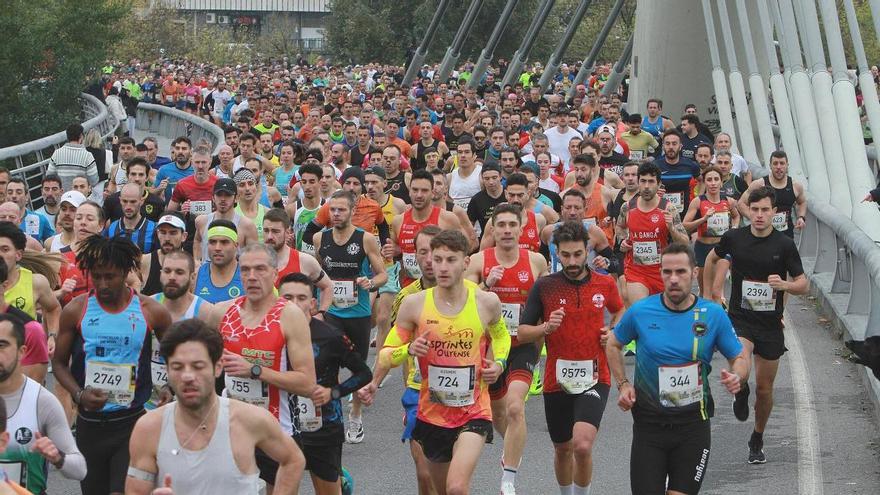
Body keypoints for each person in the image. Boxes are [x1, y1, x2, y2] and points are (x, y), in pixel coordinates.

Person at [606, 243, 750, 495]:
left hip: (693, 427)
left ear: (694, 273)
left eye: (681, 272)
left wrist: (737, 375)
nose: (673, 279)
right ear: (660, 273)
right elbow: (613, 343)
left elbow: (738, 356)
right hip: (649, 427)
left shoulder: (712, 314)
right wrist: (623, 383)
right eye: (667, 272)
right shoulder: (641, 311)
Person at [383, 229, 510, 495]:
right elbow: (386, 354)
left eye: (450, 260)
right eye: (437, 259)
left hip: (474, 409)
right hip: (433, 413)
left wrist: (498, 363)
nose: (441, 266)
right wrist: (408, 349)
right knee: (441, 490)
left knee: (456, 487)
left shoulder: (486, 302)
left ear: (466, 263)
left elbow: (501, 337)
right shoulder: (414, 305)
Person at [125, 319, 305, 495]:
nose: (188, 376)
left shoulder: (249, 420)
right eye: (178, 367)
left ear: (218, 367)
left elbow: (293, 460)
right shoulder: (149, 428)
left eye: (198, 366)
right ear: (168, 370)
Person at [52, 235, 171, 495]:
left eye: (110, 276)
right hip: (89, 424)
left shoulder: (151, 311)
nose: (103, 284)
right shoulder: (76, 309)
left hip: (131, 422)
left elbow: (176, 355)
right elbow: (59, 364)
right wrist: (79, 394)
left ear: (126, 272)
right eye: (97, 276)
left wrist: (168, 386)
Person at [518, 221, 624, 495]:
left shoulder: (604, 283)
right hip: (557, 379)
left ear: (587, 249)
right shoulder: (545, 287)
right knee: (563, 449)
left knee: (582, 444)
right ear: (556, 252)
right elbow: (522, 332)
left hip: (595, 375)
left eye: (578, 254)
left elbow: (621, 311)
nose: (573, 261)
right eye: (565, 255)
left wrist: (612, 330)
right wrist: (545, 328)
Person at [704, 186, 809, 464]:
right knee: (741, 359)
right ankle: (740, 387)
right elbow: (711, 258)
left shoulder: (784, 245)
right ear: (748, 210)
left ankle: (757, 436)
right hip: (741, 318)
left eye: (766, 210)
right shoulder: (734, 238)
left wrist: (785, 285)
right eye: (755, 210)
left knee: (765, 389)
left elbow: (803, 284)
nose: (760, 215)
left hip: (771, 324)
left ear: (774, 212)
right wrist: (708, 296)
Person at [205, 243, 316, 492]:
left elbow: (307, 384)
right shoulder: (221, 312)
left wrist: (254, 370)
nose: (252, 277)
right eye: (245, 270)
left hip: (276, 430)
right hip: (231, 427)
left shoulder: (290, 316)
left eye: (260, 269)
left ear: (275, 274)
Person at [465, 204, 548, 495]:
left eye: (513, 224)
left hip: (523, 346)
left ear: (522, 226)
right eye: (501, 225)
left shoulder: (536, 261)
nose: (507, 230)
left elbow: (545, 305)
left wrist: (540, 338)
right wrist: (487, 284)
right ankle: (511, 448)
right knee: (500, 415)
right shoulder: (478, 261)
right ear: (493, 229)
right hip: (490, 350)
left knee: (515, 407)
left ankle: (508, 480)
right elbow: (464, 303)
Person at [359, 225, 444, 495]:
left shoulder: (467, 292)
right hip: (418, 392)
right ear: (414, 257)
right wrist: (375, 382)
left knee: (449, 477)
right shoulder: (407, 298)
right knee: (423, 470)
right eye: (423, 252)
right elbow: (393, 345)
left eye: (435, 252)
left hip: (460, 396)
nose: (429, 259)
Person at [278, 273, 373, 495]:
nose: (294, 304)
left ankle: (340, 482)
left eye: (301, 298)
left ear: (313, 304)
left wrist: (333, 392)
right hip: (280, 426)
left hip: (322, 427)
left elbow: (364, 374)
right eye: (287, 297)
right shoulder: (269, 335)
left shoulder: (330, 336)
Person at [313, 190, 388, 444]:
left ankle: (355, 413)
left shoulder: (365, 239)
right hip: (332, 312)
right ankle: (331, 413)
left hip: (359, 313)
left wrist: (370, 282)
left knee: (357, 364)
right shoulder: (319, 239)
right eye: (332, 210)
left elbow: (383, 275)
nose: (335, 214)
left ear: (351, 211)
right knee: (327, 362)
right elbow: (320, 274)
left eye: (341, 210)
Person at [0, 313, 86, 493]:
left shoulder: (41, 401)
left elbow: (79, 469)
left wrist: (57, 457)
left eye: (2, 345)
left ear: (21, 351)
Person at [147, 250, 214, 409]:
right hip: (147, 402)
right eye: (167, 271)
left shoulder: (205, 311)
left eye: (179, 272)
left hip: (188, 403)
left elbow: (211, 362)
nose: (172, 277)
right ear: (160, 273)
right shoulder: (148, 306)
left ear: (192, 277)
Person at [616, 162, 690, 306]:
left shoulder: (668, 208)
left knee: (663, 315)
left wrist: (671, 228)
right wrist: (623, 240)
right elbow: (619, 227)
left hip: (662, 272)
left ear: (658, 184)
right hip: (635, 270)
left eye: (651, 182)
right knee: (641, 310)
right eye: (643, 181)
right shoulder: (627, 207)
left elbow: (685, 243)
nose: (646, 186)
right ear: (638, 182)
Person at [385, 170, 461, 289]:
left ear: (432, 193)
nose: (419, 195)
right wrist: (392, 251)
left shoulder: (448, 219)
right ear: (409, 191)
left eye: (424, 191)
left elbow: (460, 254)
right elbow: (395, 251)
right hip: (409, 288)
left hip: (440, 288)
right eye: (415, 190)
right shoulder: (398, 221)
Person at [0, 222, 60, 353]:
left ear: (18, 254)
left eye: (5, 249)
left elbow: (53, 308)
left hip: (24, 356)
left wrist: (52, 336)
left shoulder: (36, 282)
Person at [683, 166, 740, 295]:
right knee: (705, 291)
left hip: (721, 248)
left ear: (721, 182)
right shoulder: (698, 202)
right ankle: (705, 310)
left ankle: (720, 309)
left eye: (716, 179)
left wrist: (734, 229)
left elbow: (736, 216)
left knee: (717, 290)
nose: (713, 183)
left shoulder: (728, 201)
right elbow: (685, 225)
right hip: (703, 248)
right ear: (705, 182)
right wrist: (703, 219)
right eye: (709, 180)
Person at [738, 150, 806, 239]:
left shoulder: (796, 186)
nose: (778, 167)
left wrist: (801, 217)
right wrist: (754, 218)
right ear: (770, 166)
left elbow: (802, 202)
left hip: (786, 236)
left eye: (782, 163)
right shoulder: (759, 184)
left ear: (787, 165)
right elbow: (741, 203)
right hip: (761, 236)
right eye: (775, 163)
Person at [192, 178, 258, 264]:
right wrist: (197, 262)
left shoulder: (247, 225)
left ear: (236, 198)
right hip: (207, 275)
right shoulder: (201, 221)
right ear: (213, 197)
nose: (223, 199)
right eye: (219, 195)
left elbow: (254, 257)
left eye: (227, 195)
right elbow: (197, 241)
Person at [652, 130, 701, 217]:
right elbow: (645, 185)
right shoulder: (654, 166)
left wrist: (699, 198)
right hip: (661, 211)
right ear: (663, 146)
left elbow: (702, 181)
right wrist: (654, 192)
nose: (671, 147)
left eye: (674, 144)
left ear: (680, 146)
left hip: (685, 212)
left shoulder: (691, 165)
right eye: (667, 144)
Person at [194, 220, 243, 304]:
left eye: (224, 242)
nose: (217, 248)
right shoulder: (195, 275)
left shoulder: (248, 276)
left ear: (236, 245)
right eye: (212, 242)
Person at [104, 183, 157, 254]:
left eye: (133, 202)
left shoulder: (154, 229)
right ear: (120, 200)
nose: (128, 206)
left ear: (141, 201)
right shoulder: (111, 228)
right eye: (125, 201)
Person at [46, 124, 99, 191]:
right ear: (81, 136)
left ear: (67, 136)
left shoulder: (57, 153)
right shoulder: (87, 155)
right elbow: (94, 181)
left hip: (62, 197)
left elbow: (49, 177)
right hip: (80, 197)